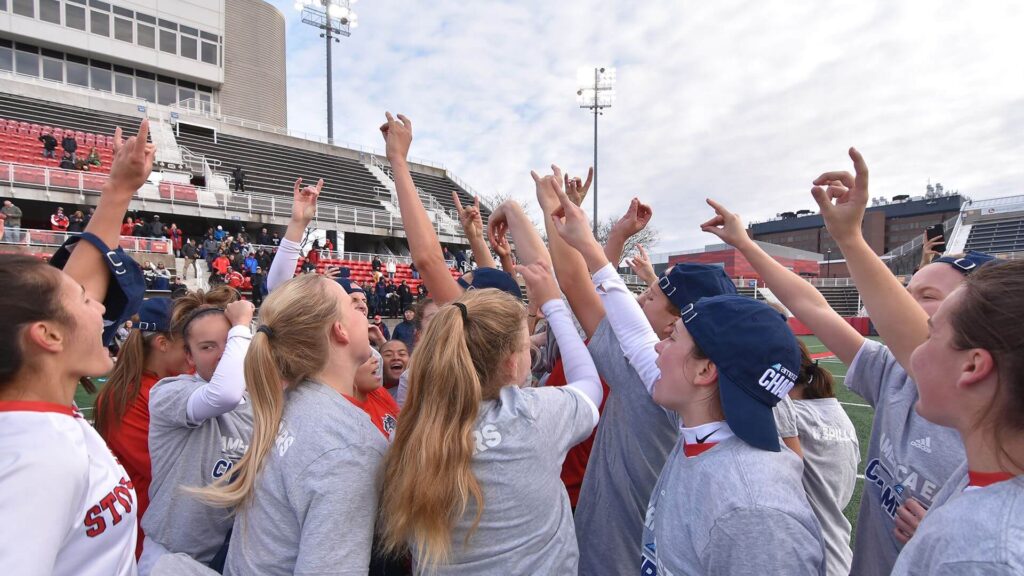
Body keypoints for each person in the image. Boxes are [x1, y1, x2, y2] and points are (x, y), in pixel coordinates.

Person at [550, 182, 825, 574]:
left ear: (705, 370)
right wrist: (591, 248)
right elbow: (634, 336)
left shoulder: (753, 510)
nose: (658, 347)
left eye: (673, 337)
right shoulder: (707, 428)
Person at [528, 167, 734, 576]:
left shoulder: (644, 375)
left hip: (609, 558)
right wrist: (612, 236)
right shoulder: (710, 388)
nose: (640, 300)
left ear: (676, 324)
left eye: (651, 296)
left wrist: (550, 206)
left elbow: (577, 283)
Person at [0, 118, 155, 576]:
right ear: (48, 336)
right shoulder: (32, 462)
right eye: (86, 301)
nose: (101, 307)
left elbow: (76, 280)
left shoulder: (38, 407)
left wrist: (119, 190)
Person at [379, 263, 604, 574]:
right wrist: (554, 305)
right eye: (525, 346)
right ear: (512, 364)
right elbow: (590, 385)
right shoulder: (532, 415)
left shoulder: (410, 430)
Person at [193, 271, 381, 575]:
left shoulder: (287, 402)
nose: (363, 310)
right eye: (351, 304)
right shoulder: (347, 448)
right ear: (340, 331)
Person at [891, 260, 1024, 575]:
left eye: (930, 336)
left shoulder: (983, 556)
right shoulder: (989, 471)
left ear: (972, 366)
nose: (915, 352)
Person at [138, 292, 253, 575]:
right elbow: (223, 395)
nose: (223, 354)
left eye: (228, 343)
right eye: (207, 347)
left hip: (228, 558)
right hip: (172, 558)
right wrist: (240, 326)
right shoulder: (170, 392)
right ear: (189, 356)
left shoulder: (257, 404)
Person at [94, 298, 189, 558]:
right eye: (188, 346)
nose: (194, 355)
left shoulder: (176, 383)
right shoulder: (127, 397)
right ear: (163, 344)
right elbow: (164, 469)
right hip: (145, 537)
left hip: (171, 529)